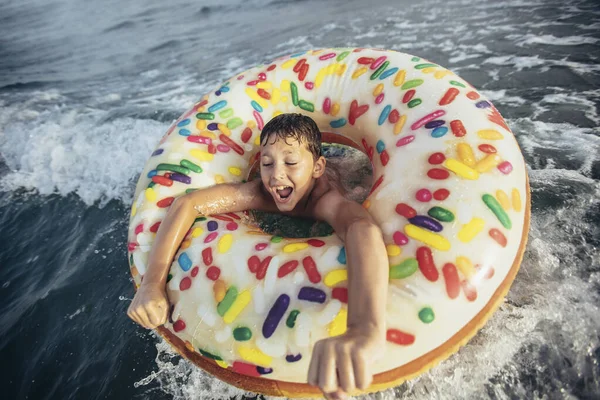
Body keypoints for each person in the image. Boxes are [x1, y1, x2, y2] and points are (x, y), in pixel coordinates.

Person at [127, 113, 389, 400]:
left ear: (317, 167)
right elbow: (188, 204)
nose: (276, 175)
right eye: (267, 163)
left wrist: (364, 328)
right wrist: (153, 283)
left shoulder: (326, 200)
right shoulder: (262, 193)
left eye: (290, 162)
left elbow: (360, 228)